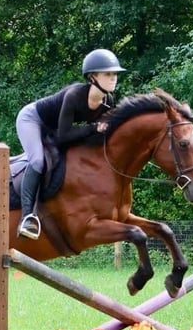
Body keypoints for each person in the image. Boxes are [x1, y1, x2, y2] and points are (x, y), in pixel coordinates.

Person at [14, 48, 126, 239]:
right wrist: (92, 128)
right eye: (108, 74)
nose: (113, 78)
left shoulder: (108, 101)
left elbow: (102, 133)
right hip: (32, 120)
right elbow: (64, 136)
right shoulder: (74, 95)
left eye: (115, 74)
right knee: (37, 161)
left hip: (55, 127)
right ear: (92, 77)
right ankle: (27, 218)